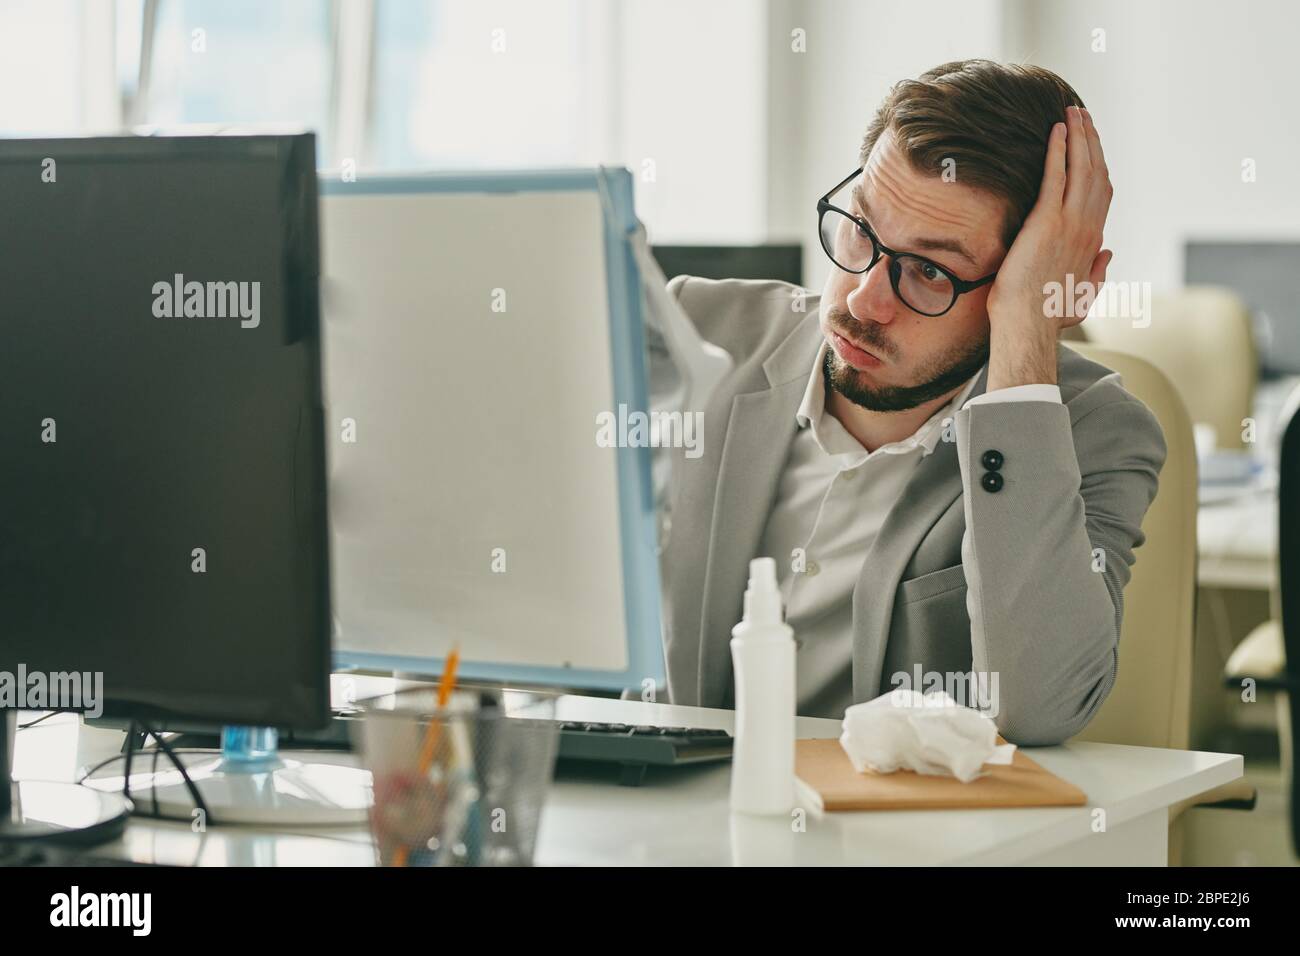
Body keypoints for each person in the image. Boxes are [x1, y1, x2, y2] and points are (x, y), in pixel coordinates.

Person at [655, 59, 1165, 745]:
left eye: (930, 271)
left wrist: (1026, 335)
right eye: (860, 232)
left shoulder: (1098, 434)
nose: (864, 300)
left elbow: (1038, 706)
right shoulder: (696, 334)